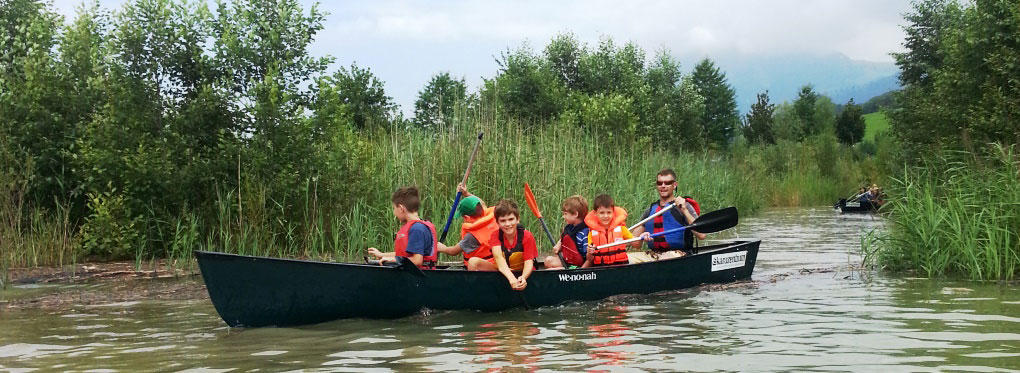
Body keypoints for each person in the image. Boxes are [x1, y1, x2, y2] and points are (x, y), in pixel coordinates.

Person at [630, 169, 706, 261]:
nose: (663, 186)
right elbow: (635, 244)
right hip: (654, 254)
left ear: (674, 185)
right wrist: (642, 237)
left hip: (679, 254)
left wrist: (684, 210)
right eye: (659, 183)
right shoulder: (650, 211)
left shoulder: (684, 206)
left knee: (665, 258)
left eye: (667, 183)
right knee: (627, 258)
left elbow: (701, 235)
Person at [366, 186, 438, 269]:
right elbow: (403, 256)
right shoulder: (417, 227)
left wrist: (394, 260)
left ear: (401, 208)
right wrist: (381, 255)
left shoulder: (417, 229)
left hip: (417, 275)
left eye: (394, 208)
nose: (394, 213)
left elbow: (417, 260)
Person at [476, 199, 538, 290]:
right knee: (473, 262)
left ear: (518, 219)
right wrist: (512, 279)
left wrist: (523, 278)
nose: (508, 224)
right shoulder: (495, 236)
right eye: (503, 221)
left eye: (511, 219)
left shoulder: (527, 236)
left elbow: (529, 262)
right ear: (497, 223)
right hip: (505, 273)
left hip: (522, 274)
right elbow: (499, 258)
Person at [437, 183, 500, 270]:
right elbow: (481, 203)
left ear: (466, 217)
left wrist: (443, 248)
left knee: (469, 263)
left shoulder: (472, 236)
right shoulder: (493, 215)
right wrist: (466, 193)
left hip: (485, 267)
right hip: (497, 262)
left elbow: (454, 251)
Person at [583, 194, 647, 267]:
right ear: (595, 213)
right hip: (601, 268)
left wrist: (642, 237)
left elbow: (636, 245)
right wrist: (589, 252)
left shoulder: (621, 229)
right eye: (602, 213)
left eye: (609, 212)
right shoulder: (592, 233)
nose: (606, 216)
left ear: (613, 212)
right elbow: (589, 259)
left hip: (620, 267)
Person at [543, 195, 590, 269]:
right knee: (548, 261)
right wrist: (559, 245)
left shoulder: (584, 233)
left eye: (565, 214)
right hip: (568, 261)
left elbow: (588, 258)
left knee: (551, 270)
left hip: (579, 266)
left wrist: (580, 271)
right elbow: (565, 238)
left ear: (575, 214)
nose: (563, 216)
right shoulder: (570, 227)